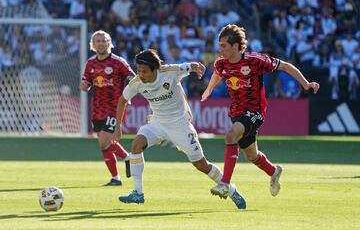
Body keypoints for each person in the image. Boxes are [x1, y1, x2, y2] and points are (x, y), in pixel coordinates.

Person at [201, 24, 320, 207]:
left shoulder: (255, 60)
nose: (220, 49)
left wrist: (305, 84)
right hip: (237, 112)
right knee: (251, 155)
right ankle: (274, 171)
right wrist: (208, 90)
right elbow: (218, 74)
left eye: (224, 45)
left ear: (235, 46)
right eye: (220, 45)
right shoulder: (221, 63)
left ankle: (225, 183)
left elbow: (286, 67)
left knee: (231, 134)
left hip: (255, 111)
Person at [112, 49, 245, 208]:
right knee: (136, 145)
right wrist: (118, 126)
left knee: (201, 165)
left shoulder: (169, 72)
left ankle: (231, 190)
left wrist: (196, 66)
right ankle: (138, 193)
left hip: (180, 126)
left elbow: (189, 66)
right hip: (158, 123)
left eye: (144, 71)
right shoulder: (136, 83)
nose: (141, 74)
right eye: (139, 70)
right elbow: (122, 101)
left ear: (155, 69)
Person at [80, 30, 134, 186]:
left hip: (115, 107)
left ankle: (126, 158)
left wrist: (127, 94)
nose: (100, 43)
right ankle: (116, 177)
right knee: (105, 144)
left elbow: (132, 77)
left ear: (109, 43)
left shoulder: (118, 62)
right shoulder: (90, 63)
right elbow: (87, 84)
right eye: (97, 41)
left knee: (104, 142)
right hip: (98, 108)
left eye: (103, 40)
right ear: (93, 44)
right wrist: (84, 86)